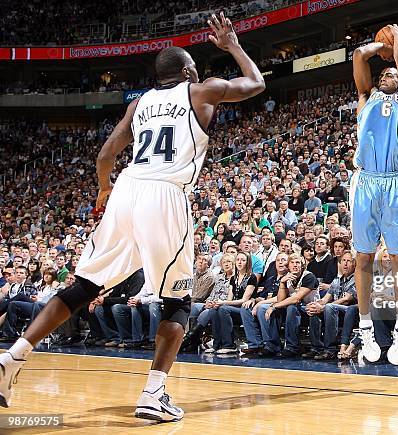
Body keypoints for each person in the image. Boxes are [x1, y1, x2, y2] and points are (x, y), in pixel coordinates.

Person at [0, 13, 265, 421]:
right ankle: (153, 394)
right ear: (188, 70)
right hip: (165, 193)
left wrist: (105, 189)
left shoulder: (139, 104)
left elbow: (105, 154)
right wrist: (231, 45)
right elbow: (256, 83)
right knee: (177, 299)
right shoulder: (201, 90)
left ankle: (15, 355)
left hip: (126, 187)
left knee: (86, 283)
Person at [351, 24, 398, 365]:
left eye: (391, 73)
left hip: (394, 182)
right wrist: (378, 44)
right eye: (384, 74)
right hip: (365, 182)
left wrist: (397, 42)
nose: (386, 75)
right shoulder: (366, 98)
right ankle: (365, 331)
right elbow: (358, 55)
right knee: (362, 258)